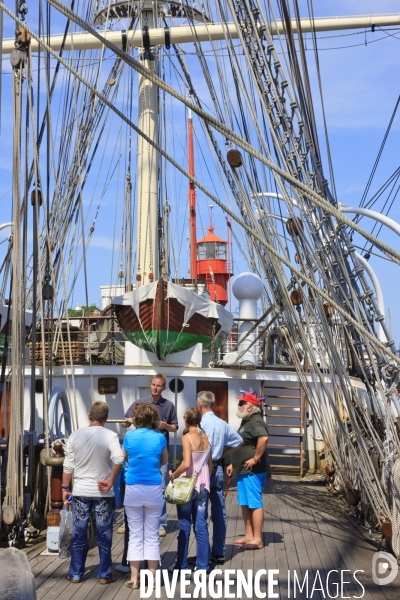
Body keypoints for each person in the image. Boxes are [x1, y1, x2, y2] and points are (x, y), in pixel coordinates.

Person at [62, 401, 125, 584]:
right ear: (106, 418)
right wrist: (111, 480)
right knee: (104, 533)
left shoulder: (75, 435)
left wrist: (65, 489)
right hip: (102, 492)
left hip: (81, 491)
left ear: (89, 415)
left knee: (79, 532)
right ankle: (104, 574)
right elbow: (119, 458)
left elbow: (68, 465)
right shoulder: (110, 435)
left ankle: (75, 573)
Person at [122, 373, 178, 537]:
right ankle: (130, 522)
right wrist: (129, 420)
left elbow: (175, 428)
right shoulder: (140, 403)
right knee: (133, 485)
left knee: (160, 487)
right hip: (139, 452)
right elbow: (124, 422)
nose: (155, 387)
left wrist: (166, 425)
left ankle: (160, 524)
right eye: (153, 384)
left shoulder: (168, 406)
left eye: (158, 385)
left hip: (158, 452)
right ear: (150, 384)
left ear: (164, 388)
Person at [121, 402, 167, 590]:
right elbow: (163, 461)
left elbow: (125, 457)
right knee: (151, 536)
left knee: (135, 535)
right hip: (154, 489)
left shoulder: (129, 437)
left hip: (133, 489)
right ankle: (154, 578)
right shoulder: (160, 438)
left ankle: (134, 578)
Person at [196, 390, 243, 564]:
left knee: (201, 511)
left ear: (200, 404)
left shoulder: (199, 423)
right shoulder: (222, 423)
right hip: (218, 468)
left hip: (203, 469)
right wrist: (223, 453)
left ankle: (203, 555)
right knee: (219, 511)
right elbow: (239, 441)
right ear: (213, 404)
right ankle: (219, 551)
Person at [169, 407, 213, 572]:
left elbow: (187, 463)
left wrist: (174, 474)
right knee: (201, 525)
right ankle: (203, 565)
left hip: (187, 485)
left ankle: (181, 566)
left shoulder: (186, 437)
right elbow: (210, 464)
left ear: (186, 421)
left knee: (184, 525)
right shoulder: (206, 437)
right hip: (203, 485)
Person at [226, 392, 268, 550]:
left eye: (242, 403)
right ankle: (249, 535)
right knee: (244, 503)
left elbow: (263, 438)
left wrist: (256, 458)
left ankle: (257, 539)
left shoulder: (256, 421)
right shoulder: (246, 420)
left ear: (250, 407)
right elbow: (243, 444)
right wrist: (233, 463)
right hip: (242, 470)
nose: (239, 406)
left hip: (253, 471)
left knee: (254, 503)